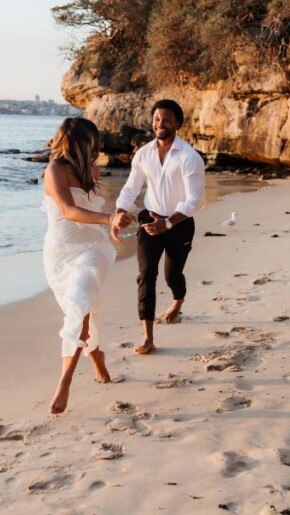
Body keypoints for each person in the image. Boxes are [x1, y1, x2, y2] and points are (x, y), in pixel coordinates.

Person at [42, 117, 134, 415]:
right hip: (60, 255)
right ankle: (97, 359)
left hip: (94, 251)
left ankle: (64, 383)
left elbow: (92, 213)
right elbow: (69, 211)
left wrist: (114, 223)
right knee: (79, 311)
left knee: (80, 306)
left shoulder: (91, 171)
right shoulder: (54, 171)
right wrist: (108, 218)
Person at [112, 99, 206, 355]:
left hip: (180, 223)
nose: (160, 124)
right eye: (156, 119)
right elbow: (132, 187)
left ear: (177, 123)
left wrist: (168, 223)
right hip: (150, 220)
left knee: (172, 276)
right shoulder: (143, 154)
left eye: (166, 120)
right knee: (146, 274)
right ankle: (148, 337)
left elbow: (195, 200)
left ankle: (178, 300)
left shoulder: (189, 157)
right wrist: (119, 213)